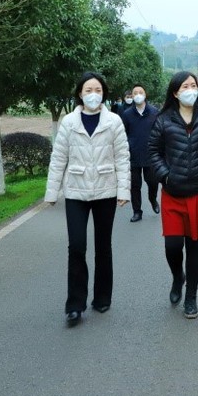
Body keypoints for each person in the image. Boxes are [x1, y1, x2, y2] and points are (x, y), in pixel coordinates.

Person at [44, 72, 130, 327]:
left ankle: (102, 298)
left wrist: (124, 191)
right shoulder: (69, 122)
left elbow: (122, 157)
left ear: (104, 93)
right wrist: (52, 192)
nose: (93, 94)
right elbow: (58, 158)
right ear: (80, 94)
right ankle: (75, 305)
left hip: (105, 189)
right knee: (77, 246)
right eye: (88, 90)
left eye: (98, 90)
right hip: (76, 191)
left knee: (103, 246)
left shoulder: (114, 121)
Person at [148, 71, 198, 319]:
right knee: (172, 245)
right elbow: (153, 152)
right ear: (175, 92)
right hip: (173, 192)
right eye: (185, 86)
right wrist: (165, 175)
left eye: (194, 85)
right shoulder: (163, 119)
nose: (190, 90)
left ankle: (191, 297)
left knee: (195, 245)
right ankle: (177, 277)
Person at [121, 83, 160, 222]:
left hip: (150, 155)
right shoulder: (127, 114)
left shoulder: (154, 112)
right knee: (135, 186)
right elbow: (123, 133)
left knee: (153, 182)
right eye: (135, 93)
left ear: (145, 94)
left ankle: (153, 199)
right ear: (132, 96)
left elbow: (159, 132)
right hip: (133, 155)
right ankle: (137, 211)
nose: (138, 95)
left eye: (140, 92)